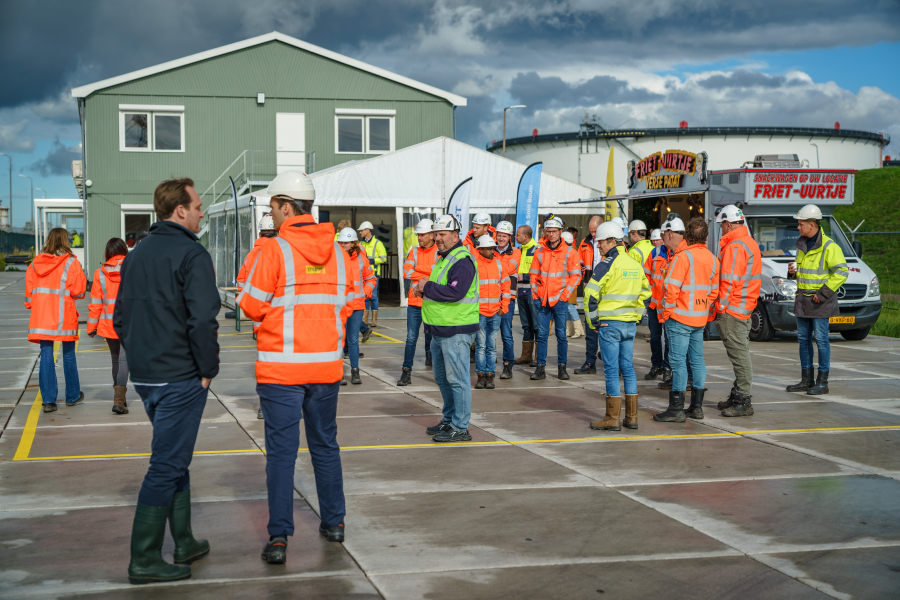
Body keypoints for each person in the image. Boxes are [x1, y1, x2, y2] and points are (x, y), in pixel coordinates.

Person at [238, 171, 353, 564]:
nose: (270, 214)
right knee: (325, 446)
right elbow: (351, 302)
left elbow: (250, 306)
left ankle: (279, 538)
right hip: (326, 369)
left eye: (272, 206)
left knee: (282, 455)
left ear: (286, 206)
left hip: (282, 370)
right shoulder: (339, 251)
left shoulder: (273, 251)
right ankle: (334, 522)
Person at [114, 178, 220, 584]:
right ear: (180, 210)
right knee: (166, 465)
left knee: (175, 458)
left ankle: (185, 540)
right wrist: (207, 369)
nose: (201, 211)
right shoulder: (191, 254)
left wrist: (142, 355)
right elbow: (202, 319)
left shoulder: (136, 255)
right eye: (197, 206)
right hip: (180, 377)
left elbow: (120, 318)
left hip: (146, 376)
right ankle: (144, 559)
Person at [413, 214, 479, 443]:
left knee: (457, 379)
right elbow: (441, 289)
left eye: (442, 234)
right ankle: (450, 419)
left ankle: (461, 427)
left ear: (455, 235)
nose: (438, 238)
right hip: (440, 330)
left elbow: (455, 293)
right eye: (436, 234)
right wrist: (423, 289)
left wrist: (427, 286)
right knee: (443, 378)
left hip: (456, 330)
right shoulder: (444, 257)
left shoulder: (462, 259)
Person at [584, 222, 651, 430]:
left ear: (612, 241)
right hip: (629, 324)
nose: (598, 246)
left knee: (612, 371)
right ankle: (632, 417)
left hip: (609, 324)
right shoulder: (633, 263)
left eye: (601, 242)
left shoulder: (606, 264)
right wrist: (637, 316)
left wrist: (592, 321)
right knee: (628, 369)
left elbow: (589, 294)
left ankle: (612, 419)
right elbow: (645, 293)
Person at [654, 217, 719, 423]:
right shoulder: (713, 259)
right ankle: (696, 407)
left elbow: (671, 288)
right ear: (705, 236)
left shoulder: (682, 257)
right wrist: (701, 308)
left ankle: (676, 409)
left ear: (688, 236)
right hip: (699, 318)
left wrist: (666, 313)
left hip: (679, 317)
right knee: (697, 360)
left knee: (678, 362)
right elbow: (713, 291)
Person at [786, 204, 849, 396]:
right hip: (803, 300)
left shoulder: (830, 247)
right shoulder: (802, 245)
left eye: (801, 224)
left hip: (820, 302)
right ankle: (807, 380)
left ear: (812, 225)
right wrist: (791, 273)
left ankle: (823, 382)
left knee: (821, 340)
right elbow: (803, 273)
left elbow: (842, 272)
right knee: (803, 340)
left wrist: (822, 294)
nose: (798, 227)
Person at [25, 227, 86, 413]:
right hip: (63, 317)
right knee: (68, 354)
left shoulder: (35, 264)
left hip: (41, 318)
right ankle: (72, 396)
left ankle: (49, 401)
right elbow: (79, 292)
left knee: (46, 354)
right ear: (65, 241)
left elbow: (29, 299)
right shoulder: (71, 263)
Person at [713, 205, 762, 416]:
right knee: (740, 353)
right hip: (744, 307)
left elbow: (728, 281)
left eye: (722, 224)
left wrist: (720, 308)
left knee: (739, 356)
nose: (721, 229)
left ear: (729, 223)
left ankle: (743, 400)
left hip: (733, 309)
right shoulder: (748, 242)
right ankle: (738, 395)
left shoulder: (735, 246)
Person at [237, 214, 279, 418]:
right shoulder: (283, 251)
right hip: (283, 318)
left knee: (264, 362)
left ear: (260, 232)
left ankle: (264, 405)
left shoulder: (251, 255)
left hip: (259, 320)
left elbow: (241, 285)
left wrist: (253, 310)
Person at [529, 216, 581, 381]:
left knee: (561, 335)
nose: (550, 234)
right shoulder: (540, 251)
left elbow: (575, 276)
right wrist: (536, 294)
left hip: (560, 300)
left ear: (560, 232)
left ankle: (562, 368)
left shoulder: (570, 252)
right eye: (548, 231)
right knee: (542, 335)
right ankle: (540, 368)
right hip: (543, 300)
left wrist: (564, 295)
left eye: (553, 231)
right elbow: (533, 275)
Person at [87, 237, 130, 414]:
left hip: (108, 322)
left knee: (115, 359)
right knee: (124, 359)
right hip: (128, 321)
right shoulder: (132, 268)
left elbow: (95, 302)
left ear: (108, 252)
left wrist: (91, 326)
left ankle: (119, 399)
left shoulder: (99, 274)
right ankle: (119, 400)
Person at [398, 219, 438, 386]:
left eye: (422, 235)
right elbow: (406, 271)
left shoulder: (439, 251)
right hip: (415, 302)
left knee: (433, 338)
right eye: (418, 235)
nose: (419, 237)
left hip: (432, 302)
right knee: (411, 338)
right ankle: (406, 372)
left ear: (431, 235)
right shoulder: (414, 251)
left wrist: (419, 271)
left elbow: (439, 274)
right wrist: (425, 276)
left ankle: (436, 369)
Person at [337, 227, 376, 386]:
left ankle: (355, 372)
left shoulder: (362, 258)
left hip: (357, 305)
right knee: (339, 340)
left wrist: (366, 292)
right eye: (341, 242)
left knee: (353, 340)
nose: (343, 245)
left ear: (353, 243)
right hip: (339, 305)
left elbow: (371, 279)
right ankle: (338, 373)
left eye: (346, 242)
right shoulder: (335, 256)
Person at [473, 234, 510, 390]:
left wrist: (504, 307)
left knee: (491, 346)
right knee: (481, 346)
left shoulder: (499, 264)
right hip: (480, 312)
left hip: (495, 312)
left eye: (492, 248)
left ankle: (490, 375)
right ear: (480, 249)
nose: (491, 251)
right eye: (488, 248)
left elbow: (506, 287)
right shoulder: (474, 265)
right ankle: (481, 376)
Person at [574, 215, 605, 374]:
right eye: (591, 231)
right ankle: (590, 362)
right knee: (590, 325)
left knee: (607, 326)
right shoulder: (585, 243)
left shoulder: (611, 242)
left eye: (595, 231)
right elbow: (579, 261)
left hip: (606, 288)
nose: (593, 234)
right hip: (589, 285)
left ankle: (611, 361)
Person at [644, 226, 671, 381]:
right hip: (655, 304)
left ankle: (667, 368)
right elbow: (646, 274)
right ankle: (657, 365)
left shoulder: (676, 254)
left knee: (668, 339)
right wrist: (651, 292)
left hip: (667, 305)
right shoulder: (654, 253)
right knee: (655, 337)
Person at [495, 221, 520, 379]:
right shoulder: (491, 249)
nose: (501, 238)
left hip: (507, 299)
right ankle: (489, 365)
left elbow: (509, 269)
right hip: (490, 298)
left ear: (509, 237)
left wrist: (491, 265)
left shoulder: (516, 252)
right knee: (488, 334)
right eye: (499, 235)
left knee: (506, 334)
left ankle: (507, 365)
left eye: (504, 236)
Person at [514, 225, 539, 367]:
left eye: (517, 235)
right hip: (521, 291)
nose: (515, 237)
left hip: (532, 291)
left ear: (525, 236)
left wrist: (524, 275)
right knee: (525, 325)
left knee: (536, 325)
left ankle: (537, 357)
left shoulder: (537, 249)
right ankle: (526, 356)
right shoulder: (518, 250)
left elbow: (540, 271)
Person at [358, 221, 386, 328]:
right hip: (363, 275)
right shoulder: (361, 244)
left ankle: (374, 320)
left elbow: (383, 258)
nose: (360, 232)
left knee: (373, 296)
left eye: (361, 230)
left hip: (374, 274)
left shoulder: (378, 243)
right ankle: (364, 320)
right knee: (364, 296)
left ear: (367, 230)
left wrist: (370, 260)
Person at [561, 231, 584, 339]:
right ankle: (570, 330)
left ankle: (578, 330)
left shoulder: (571, 252)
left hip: (570, 283)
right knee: (567, 307)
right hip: (568, 282)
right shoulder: (571, 250)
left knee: (570, 306)